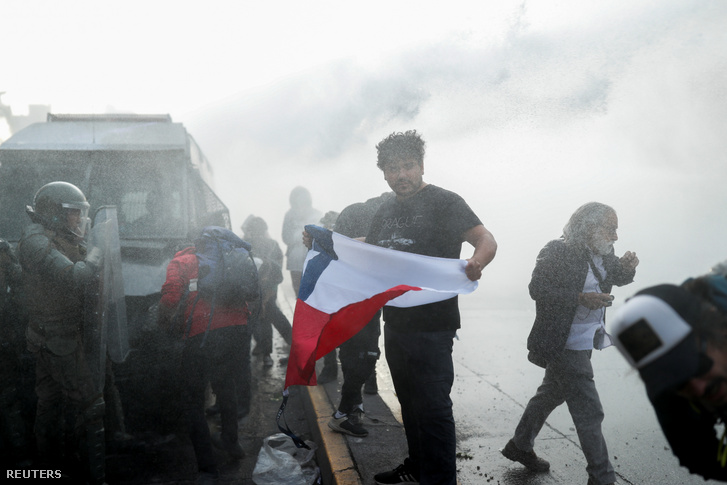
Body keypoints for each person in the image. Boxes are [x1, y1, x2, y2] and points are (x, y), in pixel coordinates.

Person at [365, 130, 497, 485]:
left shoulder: (446, 202)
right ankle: (417, 467)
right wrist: (325, 241)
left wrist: (477, 262)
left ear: (421, 166)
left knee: (434, 409)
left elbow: (485, 238)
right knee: (409, 403)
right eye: (393, 169)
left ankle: (440, 480)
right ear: (384, 173)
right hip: (394, 324)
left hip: (434, 326)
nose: (401, 175)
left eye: (408, 166)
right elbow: (369, 250)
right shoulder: (384, 210)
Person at [500, 202, 639, 485]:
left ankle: (520, 445)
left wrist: (626, 268)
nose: (614, 237)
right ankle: (602, 477)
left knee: (552, 392)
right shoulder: (557, 251)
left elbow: (616, 277)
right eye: (609, 229)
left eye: (616, 230)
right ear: (588, 227)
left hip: (586, 339)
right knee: (589, 409)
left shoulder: (603, 254)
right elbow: (536, 289)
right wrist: (579, 297)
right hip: (562, 342)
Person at [17, 181, 105, 483]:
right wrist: (96, 254)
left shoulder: (51, 236)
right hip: (57, 338)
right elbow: (74, 275)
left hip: (53, 334)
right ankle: (92, 475)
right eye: (72, 213)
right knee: (91, 404)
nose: (78, 219)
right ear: (54, 214)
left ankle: (52, 469)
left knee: (51, 404)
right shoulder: (36, 242)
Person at [610, 275, 727, 481]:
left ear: (718, 328)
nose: (698, 389)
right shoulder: (665, 380)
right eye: (679, 382)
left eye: (695, 367)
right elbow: (698, 456)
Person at [158, 227, 252, 483]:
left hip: (205, 333)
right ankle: (232, 445)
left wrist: (162, 323)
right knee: (225, 386)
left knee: (191, 399)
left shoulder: (181, 261)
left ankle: (207, 469)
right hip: (238, 329)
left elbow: (170, 298)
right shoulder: (227, 257)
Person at [327, 193, 393, 438]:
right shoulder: (382, 217)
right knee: (366, 353)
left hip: (349, 294)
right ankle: (344, 413)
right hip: (361, 296)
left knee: (354, 352)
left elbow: (334, 248)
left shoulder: (351, 211)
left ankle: (353, 409)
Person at [242, 215, 291, 366]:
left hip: (254, 288)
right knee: (273, 313)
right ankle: (295, 344)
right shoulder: (272, 244)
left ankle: (266, 353)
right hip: (271, 286)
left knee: (260, 318)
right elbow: (278, 266)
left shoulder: (246, 245)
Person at [282, 187, 321, 297]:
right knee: (299, 295)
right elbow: (285, 237)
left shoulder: (317, 214)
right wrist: (302, 234)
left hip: (314, 260)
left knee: (313, 294)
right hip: (295, 261)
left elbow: (322, 237)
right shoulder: (289, 215)